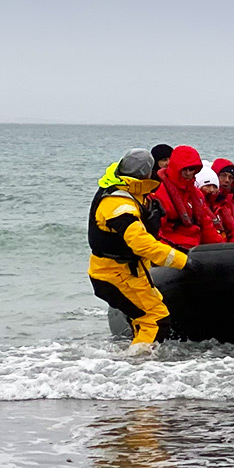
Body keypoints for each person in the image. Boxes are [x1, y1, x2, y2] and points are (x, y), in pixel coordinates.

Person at [88, 149, 189, 348]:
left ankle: (133, 363)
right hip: (113, 274)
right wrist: (182, 261)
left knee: (145, 315)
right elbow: (140, 242)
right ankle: (137, 365)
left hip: (129, 272)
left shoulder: (131, 193)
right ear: (145, 174)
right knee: (155, 318)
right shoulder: (118, 203)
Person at [153, 145, 224, 250]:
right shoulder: (159, 192)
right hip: (171, 250)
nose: (188, 173)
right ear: (175, 167)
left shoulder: (196, 195)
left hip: (195, 249)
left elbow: (207, 227)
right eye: (184, 169)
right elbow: (155, 233)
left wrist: (223, 248)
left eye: (191, 169)